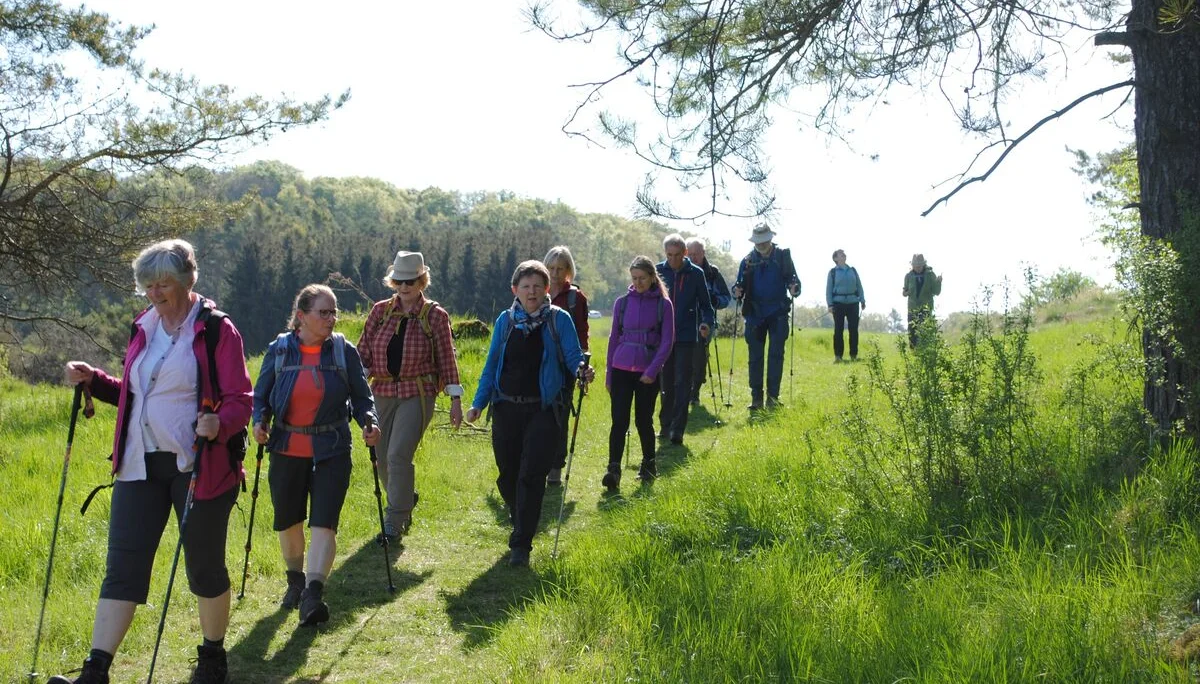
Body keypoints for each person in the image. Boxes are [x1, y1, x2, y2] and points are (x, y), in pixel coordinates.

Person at [55, 239, 252, 684]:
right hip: (138, 463)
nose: (155, 293)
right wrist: (96, 381)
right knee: (122, 566)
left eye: (163, 283)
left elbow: (242, 398)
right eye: (148, 284)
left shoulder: (217, 329)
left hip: (198, 466)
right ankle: (95, 670)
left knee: (203, 566)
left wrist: (219, 422)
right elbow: (136, 391)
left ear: (187, 281)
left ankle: (212, 657)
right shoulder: (143, 325)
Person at [252, 284, 380, 627]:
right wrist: (258, 422)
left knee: (324, 521)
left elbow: (363, 398)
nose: (331, 318)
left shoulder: (343, 351)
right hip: (286, 448)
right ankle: (295, 579)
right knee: (288, 520)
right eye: (324, 312)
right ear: (302, 316)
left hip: (332, 450)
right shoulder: (279, 351)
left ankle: (312, 594)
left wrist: (370, 423)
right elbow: (260, 396)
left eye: (334, 311)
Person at [465, 260, 594, 567]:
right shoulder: (505, 321)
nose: (532, 291)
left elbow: (574, 356)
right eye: (526, 286)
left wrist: (582, 372)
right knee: (507, 475)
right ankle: (520, 513)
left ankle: (521, 543)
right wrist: (478, 403)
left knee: (531, 475)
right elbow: (491, 363)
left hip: (543, 410)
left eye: (538, 286)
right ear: (515, 290)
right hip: (506, 407)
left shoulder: (559, 319)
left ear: (547, 289)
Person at [357, 251, 463, 543]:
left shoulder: (435, 316)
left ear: (422, 281)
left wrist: (455, 400)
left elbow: (446, 358)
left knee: (398, 455)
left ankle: (395, 522)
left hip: (417, 393)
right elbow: (363, 352)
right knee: (379, 458)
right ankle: (404, 497)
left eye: (411, 281)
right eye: (399, 281)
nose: (404, 287)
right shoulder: (379, 312)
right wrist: (351, 389)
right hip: (381, 391)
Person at [605, 256, 675, 489]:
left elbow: (667, 342)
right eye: (634, 279)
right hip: (621, 369)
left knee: (643, 420)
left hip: (647, 372)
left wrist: (652, 371)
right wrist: (609, 376)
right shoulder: (621, 303)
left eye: (642, 278)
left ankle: (648, 465)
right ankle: (613, 469)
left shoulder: (664, 305)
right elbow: (613, 339)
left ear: (653, 277)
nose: (638, 283)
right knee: (619, 421)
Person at [732, 224, 801, 412]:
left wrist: (794, 288)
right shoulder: (747, 261)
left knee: (776, 355)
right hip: (754, 315)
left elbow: (794, 280)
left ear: (770, 239)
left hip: (777, 312)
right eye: (758, 241)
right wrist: (736, 291)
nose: (761, 244)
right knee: (755, 357)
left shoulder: (783, 257)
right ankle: (756, 399)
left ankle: (772, 398)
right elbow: (738, 285)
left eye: (764, 241)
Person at [656, 234, 714, 445]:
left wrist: (706, 324)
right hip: (663, 337)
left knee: (682, 382)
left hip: (687, 336)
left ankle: (677, 429)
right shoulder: (658, 271)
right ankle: (665, 424)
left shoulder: (696, 274)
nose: (673, 260)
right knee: (666, 382)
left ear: (685, 253)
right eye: (669, 255)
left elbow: (707, 306)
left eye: (677, 255)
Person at [543, 245, 589, 486]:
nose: (555, 273)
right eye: (551, 267)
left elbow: (582, 333)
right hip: (539, 364)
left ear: (568, 270)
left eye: (560, 268)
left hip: (566, 366)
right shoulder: (536, 290)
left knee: (559, 417)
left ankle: (555, 467)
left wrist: (581, 366)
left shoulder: (576, 298)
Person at [685, 237, 731, 406]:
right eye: (690, 254)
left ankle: (694, 392)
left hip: (705, 321)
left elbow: (726, 298)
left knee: (699, 358)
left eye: (696, 254)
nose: (693, 258)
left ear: (703, 253)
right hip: (684, 321)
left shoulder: (712, 273)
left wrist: (714, 300)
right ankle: (683, 392)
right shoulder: (680, 271)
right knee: (683, 358)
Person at [825, 249, 866, 362]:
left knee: (853, 330)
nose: (844, 255)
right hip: (838, 303)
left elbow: (859, 285)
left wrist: (862, 300)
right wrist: (830, 304)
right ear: (836, 259)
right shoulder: (832, 272)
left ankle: (854, 355)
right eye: (841, 254)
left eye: (844, 254)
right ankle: (838, 356)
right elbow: (828, 290)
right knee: (838, 330)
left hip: (853, 302)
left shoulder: (852, 270)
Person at [903, 253, 942, 347]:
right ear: (912, 266)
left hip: (926, 308)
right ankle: (913, 353)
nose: (918, 268)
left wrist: (939, 282)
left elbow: (936, 292)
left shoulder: (930, 275)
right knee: (912, 332)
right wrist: (907, 293)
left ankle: (925, 352)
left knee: (925, 331)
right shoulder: (908, 276)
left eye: (919, 266)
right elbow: (904, 292)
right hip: (912, 308)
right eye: (915, 266)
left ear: (923, 265)